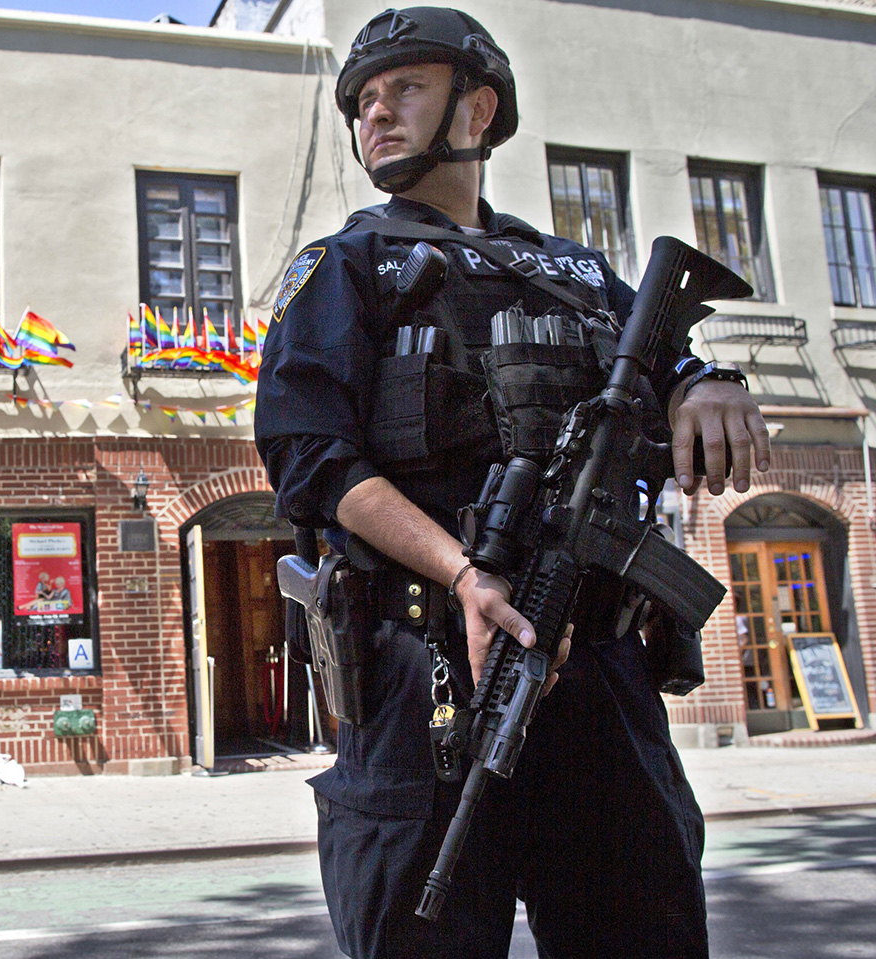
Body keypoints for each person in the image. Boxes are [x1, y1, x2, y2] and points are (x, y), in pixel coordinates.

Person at [254, 8, 770, 959]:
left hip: (599, 675)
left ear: (477, 108)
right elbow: (309, 460)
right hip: (429, 675)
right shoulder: (346, 267)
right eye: (364, 100)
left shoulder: (573, 270)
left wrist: (708, 386)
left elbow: (664, 364)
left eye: (405, 88)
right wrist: (463, 572)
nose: (378, 115)